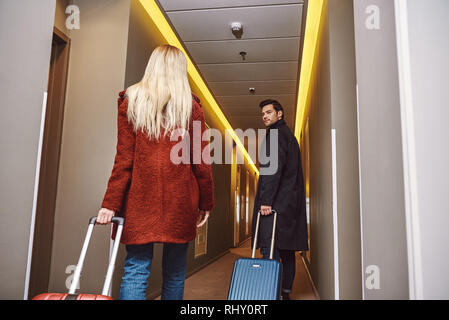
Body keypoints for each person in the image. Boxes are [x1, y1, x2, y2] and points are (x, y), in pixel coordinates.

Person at [96, 45, 214, 300]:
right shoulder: (191, 107)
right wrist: (206, 202)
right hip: (180, 201)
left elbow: (123, 159)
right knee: (175, 272)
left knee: (136, 269)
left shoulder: (131, 102)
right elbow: (201, 162)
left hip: (140, 200)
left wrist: (111, 203)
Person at [252, 99, 308, 300]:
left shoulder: (275, 136)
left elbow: (271, 170)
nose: (265, 116)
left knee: (270, 249)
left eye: (269, 112)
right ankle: (285, 294)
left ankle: (271, 294)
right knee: (287, 251)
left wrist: (266, 201)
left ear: (280, 114)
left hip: (274, 206)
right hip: (289, 206)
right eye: (263, 114)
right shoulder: (289, 137)